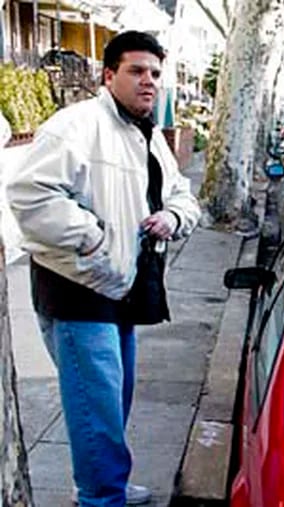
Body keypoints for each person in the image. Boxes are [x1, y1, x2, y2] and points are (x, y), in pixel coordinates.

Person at [7, 31, 200, 506]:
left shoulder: (147, 136)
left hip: (122, 287)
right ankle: (101, 496)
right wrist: (94, 237)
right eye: (136, 71)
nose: (148, 81)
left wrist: (173, 217)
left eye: (155, 73)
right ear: (108, 75)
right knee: (96, 409)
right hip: (77, 288)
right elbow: (30, 195)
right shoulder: (75, 126)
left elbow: (181, 195)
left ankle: (105, 485)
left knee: (114, 401)